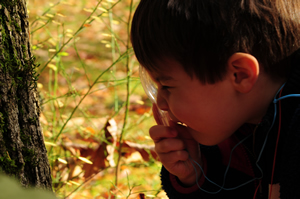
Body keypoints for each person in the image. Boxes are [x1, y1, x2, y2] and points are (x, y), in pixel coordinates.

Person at [131, 0, 300, 198]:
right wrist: (196, 176)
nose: (160, 102)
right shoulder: (238, 123)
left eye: (167, 86)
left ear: (240, 75)